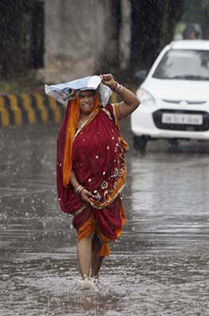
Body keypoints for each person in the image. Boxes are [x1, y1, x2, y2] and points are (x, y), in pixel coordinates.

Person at [48, 74, 140, 285]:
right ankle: (85, 281)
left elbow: (134, 102)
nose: (87, 101)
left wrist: (115, 85)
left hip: (107, 190)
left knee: (100, 236)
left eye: (90, 96)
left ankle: (96, 277)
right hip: (82, 190)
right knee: (85, 232)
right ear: (75, 100)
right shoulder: (69, 128)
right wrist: (79, 188)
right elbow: (65, 163)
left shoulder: (108, 114)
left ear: (96, 97)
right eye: (82, 97)